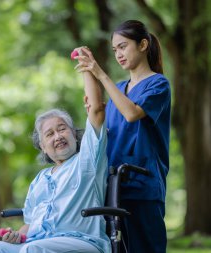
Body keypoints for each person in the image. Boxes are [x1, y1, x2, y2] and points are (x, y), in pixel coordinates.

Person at [0, 59, 110, 253]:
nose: (58, 136)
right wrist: (18, 236)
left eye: (62, 129)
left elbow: (97, 110)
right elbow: (31, 224)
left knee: (32, 250)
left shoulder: (88, 161)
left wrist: (86, 69)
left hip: (82, 242)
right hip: (40, 242)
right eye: (50, 134)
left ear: (74, 134)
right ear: (43, 147)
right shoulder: (40, 179)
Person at [74, 19, 171, 253]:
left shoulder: (158, 85)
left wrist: (100, 73)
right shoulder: (118, 88)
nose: (118, 53)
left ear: (143, 44)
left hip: (142, 184)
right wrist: (88, 70)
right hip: (113, 184)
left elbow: (131, 113)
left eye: (123, 46)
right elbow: (100, 118)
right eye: (114, 49)